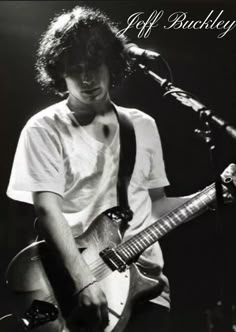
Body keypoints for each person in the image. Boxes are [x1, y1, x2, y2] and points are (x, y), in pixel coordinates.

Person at [6, 5, 236, 332]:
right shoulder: (44, 127)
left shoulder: (142, 126)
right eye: (76, 68)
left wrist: (213, 194)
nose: (87, 78)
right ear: (59, 72)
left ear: (110, 62)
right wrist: (85, 281)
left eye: (94, 65)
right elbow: (46, 209)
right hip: (75, 288)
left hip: (147, 289)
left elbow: (155, 206)